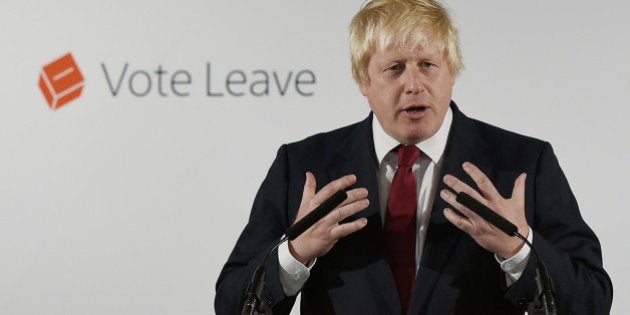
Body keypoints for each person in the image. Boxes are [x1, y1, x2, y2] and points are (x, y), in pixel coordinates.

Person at [215, 0, 613, 314]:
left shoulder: (521, 164)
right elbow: (232, 304)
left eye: (427, 65)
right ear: (363, 81)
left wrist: (519, 250)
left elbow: (593, 300)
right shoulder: (305, 168)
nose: (413, 84)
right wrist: (295, 253)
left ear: (452, 72)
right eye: (394, 68)